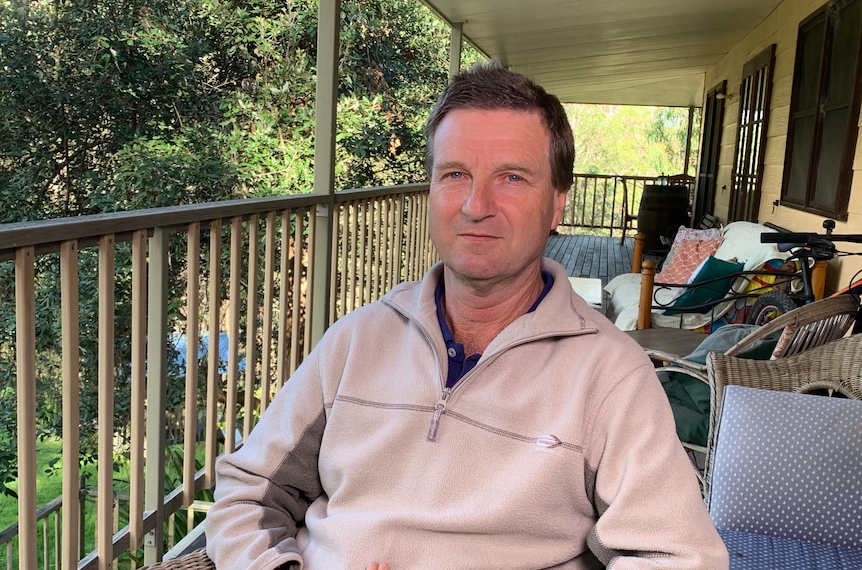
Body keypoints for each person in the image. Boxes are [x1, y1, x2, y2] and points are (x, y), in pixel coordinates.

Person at [205, 61, 729, 569]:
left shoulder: (610, 377)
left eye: (512, 178)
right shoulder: (358, 340)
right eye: (455, 174)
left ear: (556, 204)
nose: (477, 204)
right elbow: (247, 492)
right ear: (431, 190)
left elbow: (679, 556)